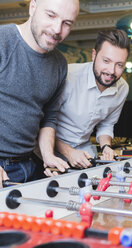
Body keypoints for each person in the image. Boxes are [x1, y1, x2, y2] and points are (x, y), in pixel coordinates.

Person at [0, 0, 80, 184]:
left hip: (28, 165)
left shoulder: (59, 64)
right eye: (51, 15)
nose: (57, 29)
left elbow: (48, 118)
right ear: (32, 7)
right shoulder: (3, 41)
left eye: (67, 23)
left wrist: (48, 155)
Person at [45, 29, 130, 176]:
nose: (111, 71)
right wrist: (69, 152)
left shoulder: (123, 88)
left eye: (119, 65)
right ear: (94, 55)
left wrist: (105, 147)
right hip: (49, 152)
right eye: (106, 61)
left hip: (85, 153)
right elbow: (43, 123)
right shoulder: (67, 77)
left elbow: (106, 124)